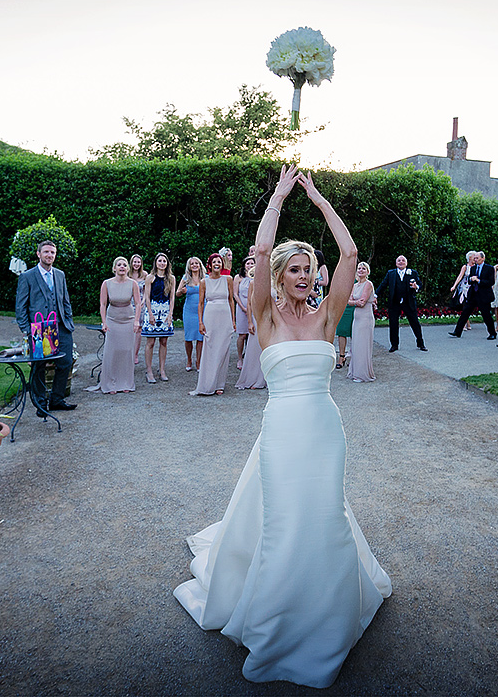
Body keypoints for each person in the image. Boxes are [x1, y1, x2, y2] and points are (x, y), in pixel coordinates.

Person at [174, 164, 391, 688]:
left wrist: (317, 198)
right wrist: (278, 196)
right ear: (277, 276)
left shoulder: (324, 315)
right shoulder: (266, 316)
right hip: (281, 434)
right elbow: (262, 246)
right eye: (293, 269)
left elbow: (351, 256)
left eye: (308, 270)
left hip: (324, 430)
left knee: (323, 515)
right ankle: (277, 621)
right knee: (284, 523)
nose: (303, 277)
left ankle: (327, 612)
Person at [14, 240, 76, 411]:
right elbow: (21, 306)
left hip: (61, 326)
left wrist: (68, 320)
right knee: (39, 366)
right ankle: (40, 402)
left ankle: (56, 399)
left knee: (65, 363)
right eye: (46, 252)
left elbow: (65, 301)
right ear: (38, 254)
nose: (50, 255)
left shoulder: (60, 275)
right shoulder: (27, 276)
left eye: (53, 253)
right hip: (38, 328)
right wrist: (27, 330)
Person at [191, 253, 236, 396]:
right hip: (210, 316)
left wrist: (233, 320)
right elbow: (200, 303)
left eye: (220, 262)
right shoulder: (204, 281)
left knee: (223, 350)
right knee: (210, 349)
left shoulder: (228, 279)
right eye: (214, 262)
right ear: (210, 265)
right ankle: (207, 383)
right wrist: (200, 322)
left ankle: (219, 384)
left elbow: (231, 300)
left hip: (225, 317)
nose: (217, 264)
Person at [97, 256, 141, 393]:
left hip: (128, 319)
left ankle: (126, 383)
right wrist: (104, 322)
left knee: (127, 351)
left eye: (124, 265)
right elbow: (103, 304)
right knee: (112, 352)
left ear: (128, 268)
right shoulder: (107, 283)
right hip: (112, 320)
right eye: (119, 265)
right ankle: (111, 383)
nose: (122, 267)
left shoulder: (133, 283)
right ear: (114, 268)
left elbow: (138, 303)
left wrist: (136, 321)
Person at [376, 254, 426, 352]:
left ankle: (421, 343)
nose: (401, 262)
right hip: (394, 302)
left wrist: (417, 287)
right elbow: (383, 285)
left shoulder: (412, 273)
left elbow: (420, 284)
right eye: (399, 260)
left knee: (415, 323)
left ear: (406, 263)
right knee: (393, 324)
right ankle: (394, 345)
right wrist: (375, 295)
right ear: (396, 263)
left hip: (409, 302)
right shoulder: (391, 273)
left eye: (403, 260)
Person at [142, 253, 176, 383]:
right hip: (153, 310)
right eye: (160, 261)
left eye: (164, 261)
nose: (162, 263)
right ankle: (149, 371)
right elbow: (147, 297)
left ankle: (162, 370)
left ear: (167, 263)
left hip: (166, 310)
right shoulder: (150, 278)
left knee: (164, 342)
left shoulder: (171, 278)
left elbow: (172, 297)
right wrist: (150, 313)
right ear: (156, 263)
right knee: (150, 342)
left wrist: (170, 314)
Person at [449, 249, 497, 339]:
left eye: (477, 258)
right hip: (473, 294)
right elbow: (470, 281)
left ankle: (492, 333)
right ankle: (457, 331)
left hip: (484, 295)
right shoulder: (473, 268)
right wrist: (471, 279)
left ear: (483, 258)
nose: (475, 260)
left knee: (486, 315)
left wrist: (478, 280)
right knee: (465, 312)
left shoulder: (489, 268)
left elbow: (491, 282)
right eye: (474, 258)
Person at [234, 261, 267, 390]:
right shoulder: (253, 283)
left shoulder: (274, 283)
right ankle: (254, 378)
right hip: (256, 318)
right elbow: (249, 304)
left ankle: (266, 379)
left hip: (270, 319)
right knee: (254, 347)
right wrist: (250, 322)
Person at [346, 261, 376, 382]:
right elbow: (349, 301)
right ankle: (355, 372)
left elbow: (362, 302)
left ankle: (362, 374)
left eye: (364, 268)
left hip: (366, 318)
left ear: (367, 272)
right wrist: (354, 302)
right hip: (357, 318)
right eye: (359, 268)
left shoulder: (368, 284)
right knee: (356, 345)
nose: (361, 270)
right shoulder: (355, 285)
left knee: (363, 345)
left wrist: (354, 302)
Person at [177, 256, 205, 371]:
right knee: (188, 338)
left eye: (196, 263)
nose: (194, 265)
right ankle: (189, 359)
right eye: (192, 263)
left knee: (200, 337)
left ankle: (199, 361)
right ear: (189, 266)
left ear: (200, 265)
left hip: (203, 309)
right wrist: (182, 291)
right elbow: (177, 293)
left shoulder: (205, 278)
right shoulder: (185, 278)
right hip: (189, 310)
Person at [334, 261, 356, 369]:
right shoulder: (340, 277)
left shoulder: (360, 277)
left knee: (355, 333)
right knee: (341, 332)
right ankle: (341, 357)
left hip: (355, 308)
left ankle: (355, 358)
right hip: (343, 307)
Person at [234, 258, 254, 369]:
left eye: (252, 263)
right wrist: (244, 308)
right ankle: (240, 358)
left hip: (254, 309)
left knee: (253, 334)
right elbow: (235, 294)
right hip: (242, 309)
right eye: (248, 263)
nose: (250, 265)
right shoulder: (238, 277)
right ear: (244, 265)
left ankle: (250, 358)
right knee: (242, 334)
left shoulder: (256, 278)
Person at [128, 253, 147, 365]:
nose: (136, 264)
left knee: (138, 329)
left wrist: (143, 301)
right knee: (128, 329)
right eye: (135, 262)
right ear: (131, 263)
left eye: (138, 262)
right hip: (128, 303)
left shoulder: (144, 275)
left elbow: (146, 291)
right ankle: (127, 352)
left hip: (140, 304)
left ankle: (135, 354)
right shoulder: (127, 274)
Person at [449, 252, 475, 331]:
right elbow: (460, 276)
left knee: (470, 306)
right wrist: (454, 286)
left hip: (472, 288)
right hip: (464, 287)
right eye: (474, 257)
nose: (475, 259)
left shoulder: (476, 267)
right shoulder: (465, 267)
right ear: (470, 258)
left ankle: (467, 322)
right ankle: (464, 323)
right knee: (464, 305)